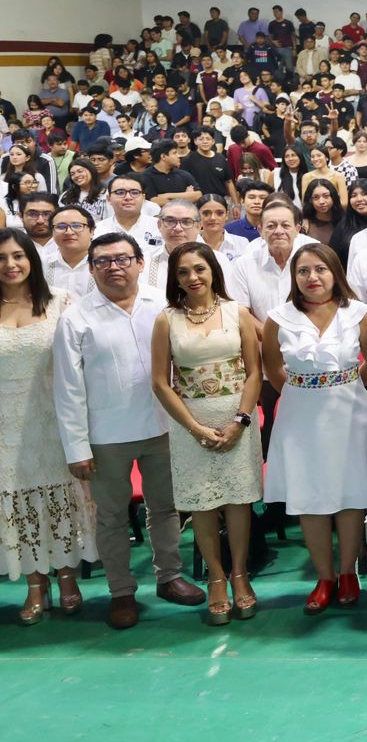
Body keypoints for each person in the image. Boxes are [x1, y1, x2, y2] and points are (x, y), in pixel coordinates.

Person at [54, 231, 204, 627]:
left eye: (122, 259)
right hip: (105, 434)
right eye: (103, 261)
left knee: (166, 508)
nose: (114, 267)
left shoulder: (164, 306)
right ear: (91, 269)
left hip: (164, 425)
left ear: (140, 263)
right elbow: (67, 388)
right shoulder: (76, 318)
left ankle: (169, 577)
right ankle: (121, 591)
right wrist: (76, 448)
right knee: (111, 517)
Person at [261, 243, 367, 614]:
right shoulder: (279, 318)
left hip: (351, 413)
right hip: (300, 417)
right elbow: (272, 368)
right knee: (310, 496)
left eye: (320, 269)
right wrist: (305, 390)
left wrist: (345, 385)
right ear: (294, 277)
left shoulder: (359, 314)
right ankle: (325, 577)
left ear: (335, 272)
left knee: (351, 494)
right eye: (303, 271)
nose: (312, 277)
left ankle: (348, 572)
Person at [149, 241, 264, 626]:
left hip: (238, 420)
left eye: (199, 268)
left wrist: (240, 420)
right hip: (190, 424)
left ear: (213, 270)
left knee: (238, 501)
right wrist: (195, 428)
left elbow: (254, 372)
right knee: (202, 503)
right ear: (174, 278)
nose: (192, 277)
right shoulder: (167, 320)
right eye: (183, 272)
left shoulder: (238, 312)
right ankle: (216, 577)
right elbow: (160, 382)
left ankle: (240, 573)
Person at [2, 228, 93, 623]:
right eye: (1, 258)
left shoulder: (62, 301)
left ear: (32, 260)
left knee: (62, 497)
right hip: (5, 426)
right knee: (17, 501)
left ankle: (68, 576)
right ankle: (35, 584)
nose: (10, 265)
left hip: (55, 418)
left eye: (18, 256)